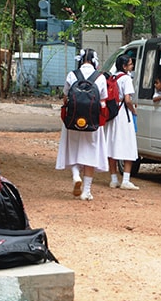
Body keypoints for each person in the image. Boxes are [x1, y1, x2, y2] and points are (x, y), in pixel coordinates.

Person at [55, 48, 108, 201]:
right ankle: (86, 191)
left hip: (73, 121)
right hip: (92, 122)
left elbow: (65, 98)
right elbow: (103, 100)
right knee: (90, 152)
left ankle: (76, 174)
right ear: (94, 61)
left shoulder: (72, 75)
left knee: (73, 148)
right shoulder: (100, 77)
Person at [105, 54, 140, 190]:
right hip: (123, 115)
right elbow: (128, 99)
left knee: (111, 145)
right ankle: (126, 179)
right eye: (130, 64)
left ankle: (113, 179)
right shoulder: (126, 78)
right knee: (128, 145)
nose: (132, 66)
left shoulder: (113, 77)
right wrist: (134, 110)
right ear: (125, 66)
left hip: (112, 114)